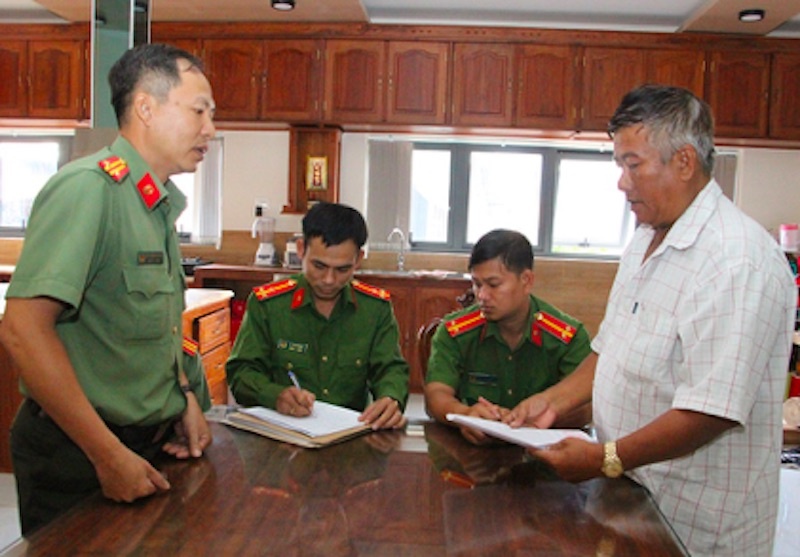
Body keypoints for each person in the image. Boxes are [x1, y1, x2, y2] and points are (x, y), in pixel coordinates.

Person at [505, 85, 795, 557]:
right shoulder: (646, 237)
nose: (622, 182)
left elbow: (710, 412)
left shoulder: (736, 260)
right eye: (619, 165)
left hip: (697, 526)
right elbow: (612, 349)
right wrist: (551, 402)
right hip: (632, 499)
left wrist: (605, 458)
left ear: (684, 162)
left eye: (633, 164)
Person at [0, 43, 217, 535]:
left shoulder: (154, 204)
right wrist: (107, 455)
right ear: (145, 108)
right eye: (199, 111)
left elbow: (150, 331)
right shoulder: (89, 190)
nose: (210, 128)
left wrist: (182, 395)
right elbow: (23, 331)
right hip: (82, 454)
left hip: (145, 444)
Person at [226, 202, 409, 430]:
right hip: (284, 434)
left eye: (342, 269)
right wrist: (275, 395)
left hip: (348, 433)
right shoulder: (269, 305)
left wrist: (390, 398)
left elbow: (390, 369)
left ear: (359, 259)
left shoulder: (374, 308)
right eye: (319, 266)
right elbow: (241, 373)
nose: (329, 280)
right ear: (301, 249)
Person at [424, 229, 592, 444]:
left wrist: (544, 415)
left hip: (545, 452)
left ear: (527, 281)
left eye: (494, 285)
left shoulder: (567, 338)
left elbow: (585, 410)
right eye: (477, 284)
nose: (482, 296)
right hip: (472, 452)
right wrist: (466, 415)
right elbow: (436, 395)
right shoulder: (455, 332)